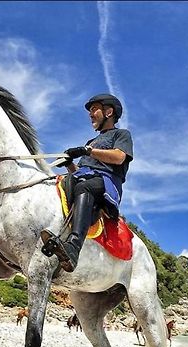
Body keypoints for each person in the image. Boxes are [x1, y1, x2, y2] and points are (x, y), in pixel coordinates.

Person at [41, 93, 133, 272]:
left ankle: (74, 246)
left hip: (106, 183)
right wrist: (69, 164)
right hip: (84, 179)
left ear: (108, 112)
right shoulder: (92, 141)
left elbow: (119, 157)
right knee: (60, 183)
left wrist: (88, 151)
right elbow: (79, 173)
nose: (90, 114)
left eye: (94, 109)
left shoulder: (122, 134)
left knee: (85, 186)